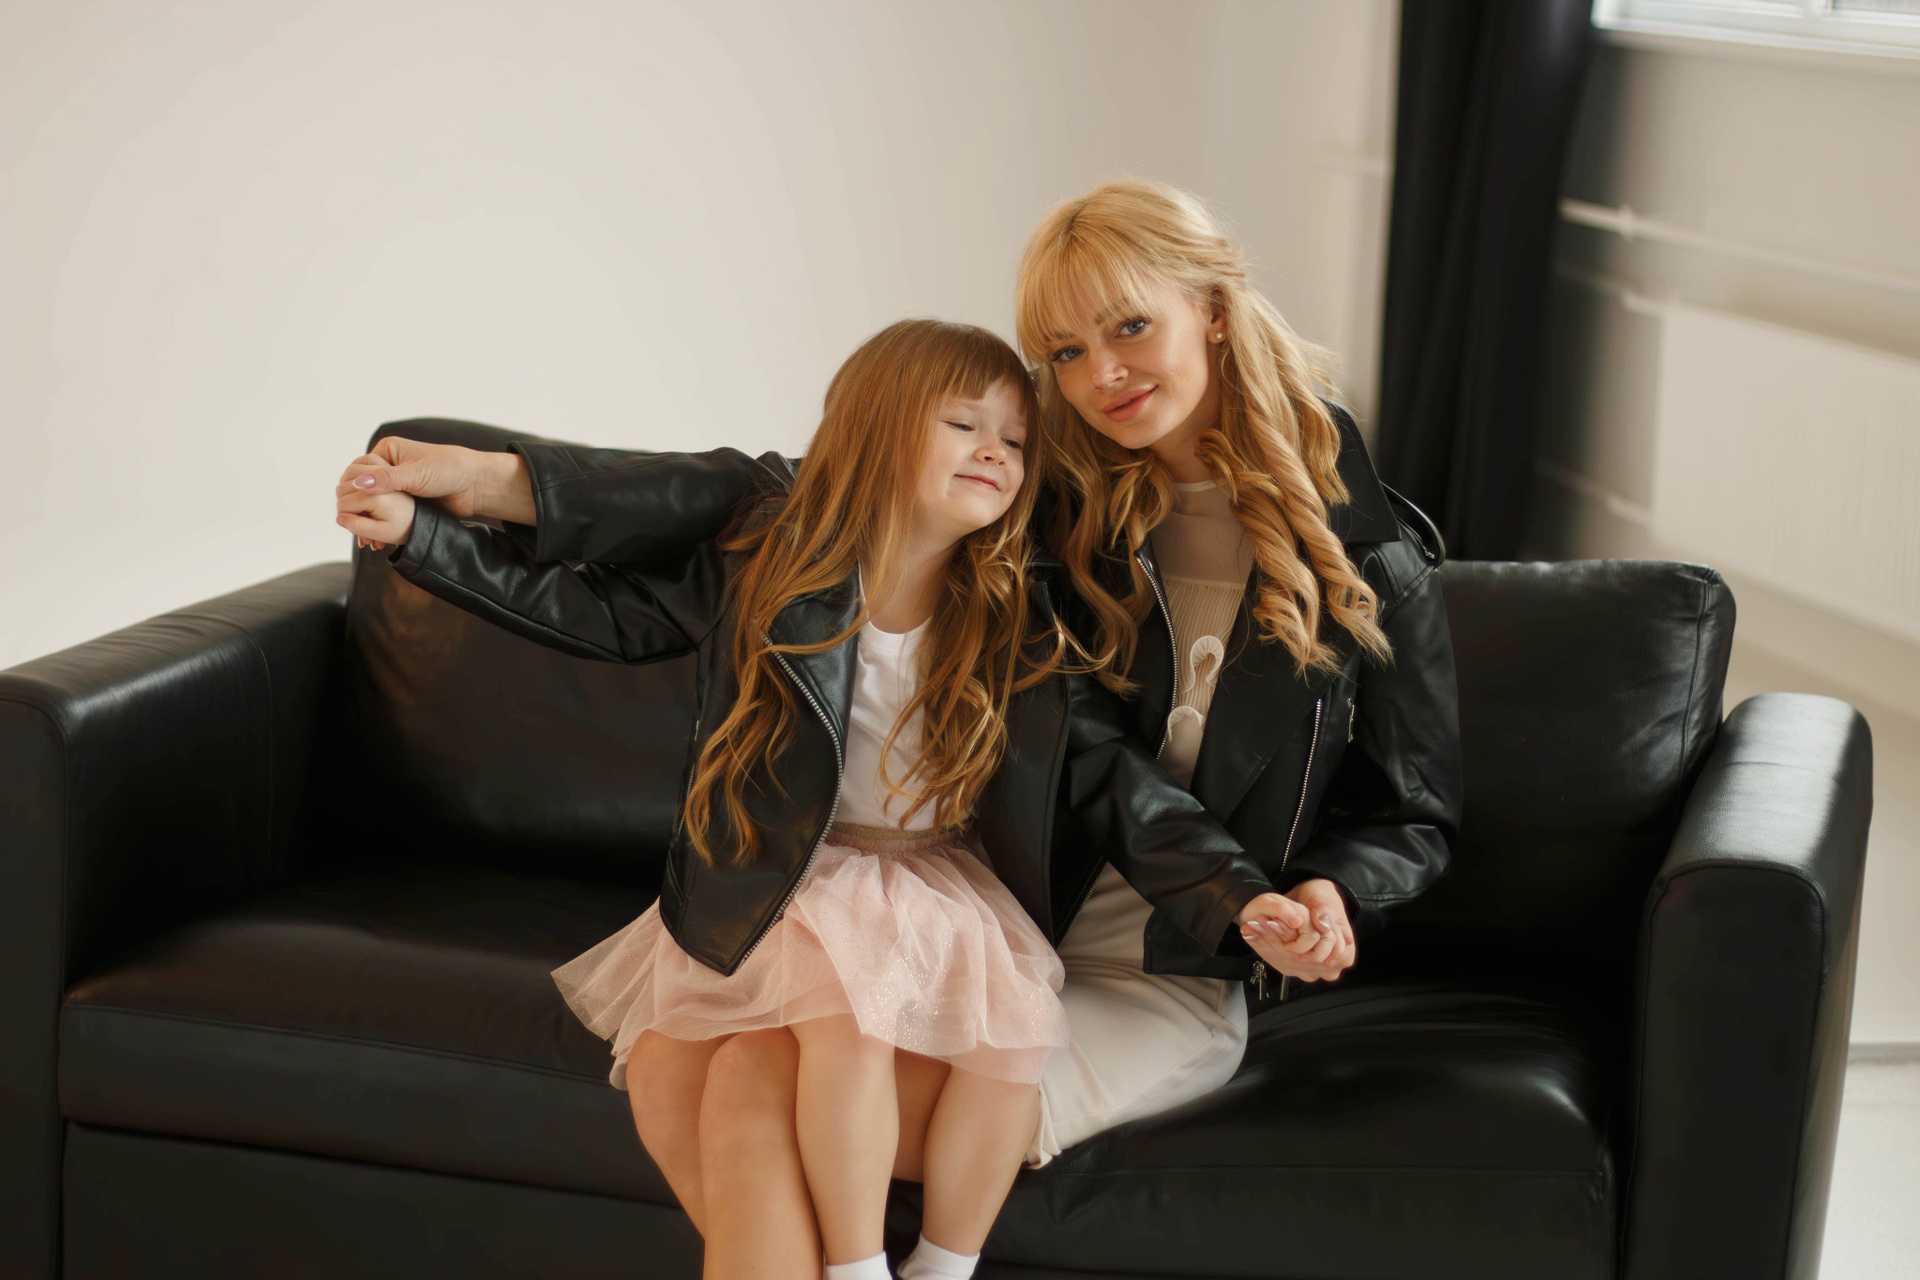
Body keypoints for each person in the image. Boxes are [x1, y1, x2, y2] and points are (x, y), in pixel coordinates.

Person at [336, 318, 1323, 1279]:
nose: (997, 451)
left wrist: (1237, 895)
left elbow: (1116, 779)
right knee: (668, 1076)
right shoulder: (775, 555)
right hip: (788, 881)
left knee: (801, 1049)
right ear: (876, 433)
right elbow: (602, 614)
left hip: (926, 889)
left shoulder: (1016, 613)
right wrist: (425, 539)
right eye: (964, 425)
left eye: (1016, 441)